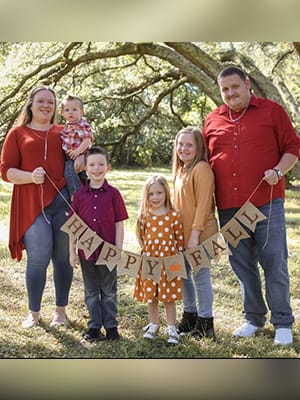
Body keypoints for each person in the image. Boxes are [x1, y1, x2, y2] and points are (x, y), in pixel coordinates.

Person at [202, 65, 300, 345]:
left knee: (274, 263)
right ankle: (253, 318)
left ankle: (282, 322)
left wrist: (279, 171)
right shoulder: (212, 120)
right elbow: (203, 162)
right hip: (230, 208)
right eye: (225, 90)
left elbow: (293, 148)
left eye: (235, 87)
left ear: (247, 85)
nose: (230, 93)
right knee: (243, 265)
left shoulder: (272, 111)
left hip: (266, 204)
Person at [0, 86, 73, 328]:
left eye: (51, 102)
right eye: (41, 101)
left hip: (62, 203)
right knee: (39, 258)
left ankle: (61, 311)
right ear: (30, 104)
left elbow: (84, 155)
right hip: (32, 205)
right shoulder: (17, 133)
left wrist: (83, 158)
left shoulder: (64, 132)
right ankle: (33, 312)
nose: (46, 106)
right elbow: (6, 171)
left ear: (56, 108)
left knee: (63, 258)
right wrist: (31, 176)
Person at [69, 146, 129, 343]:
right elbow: (73, 227)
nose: (96, 168)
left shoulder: (114, 194)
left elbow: (119, 223)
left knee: (109, 290)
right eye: (92, 165)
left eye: (100, 164)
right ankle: (94, 326)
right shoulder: (79, 196)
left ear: (108, 167)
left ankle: (111, 326)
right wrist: (72, 252)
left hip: (108, 251)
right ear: (85, 168)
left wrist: (119, 248)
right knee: (91, 291)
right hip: (85, 252)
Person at [172, 126, 218, 339]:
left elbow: (203, 206)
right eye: (180, 144)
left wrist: (194, 236)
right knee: (184, 276)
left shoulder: (201, 169)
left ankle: (205, 322)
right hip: (183, 235)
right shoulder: (182, 169)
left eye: (189, 144)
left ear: (199, 147)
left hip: (200, 234)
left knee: (200, 276)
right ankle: (190, 315)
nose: (184, 148)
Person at [133, 175, 184, 344]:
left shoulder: (173, 215)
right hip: (150, 260)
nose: (155, 197)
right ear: (146, 196)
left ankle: (171, 328)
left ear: (166, 193)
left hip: (170, 261)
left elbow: (180, 239)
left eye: (159, 193)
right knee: (151, 295)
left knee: (169, 296)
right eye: (151, 194)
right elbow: (142, 238)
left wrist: (177, 256)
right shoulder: (144, 216)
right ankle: (153, 324)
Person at [60, 94, 93, 198]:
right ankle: (89, 191)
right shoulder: (67, 126)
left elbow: (87, 140)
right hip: (71, 154)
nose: (70, 112)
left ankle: (76, 195)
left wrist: (78, 152)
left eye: (74, 109)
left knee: (69, 173)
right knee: (81, 176)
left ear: (81, 112)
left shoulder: (81, 124)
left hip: (78, 154)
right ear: (62, 113)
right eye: (67, 110)